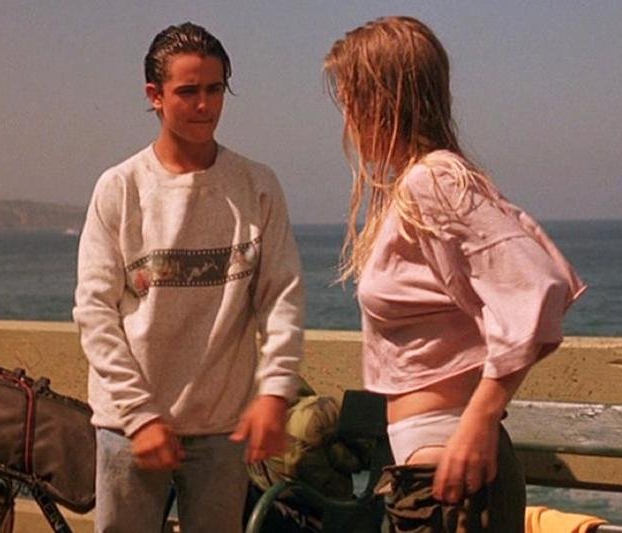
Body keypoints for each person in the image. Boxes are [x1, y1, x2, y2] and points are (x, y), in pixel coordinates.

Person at [323, 17, 586, 532]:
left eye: (351, 101)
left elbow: (538, 286)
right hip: (431, 472)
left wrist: (480, 418)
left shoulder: (433, 181)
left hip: (450, 474)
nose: (347, 120)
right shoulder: (421, 182)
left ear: (382, 101)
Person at [73, 22, 304, 533]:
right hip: (129, 428)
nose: (205, 105)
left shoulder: (257, 186)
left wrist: (275, 391)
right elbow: (94, 313)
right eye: (188, 91)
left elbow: (281, 297)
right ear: (154, 96)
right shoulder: (121, 188)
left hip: (222, 429)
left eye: (215, 89)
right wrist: (140, 415)